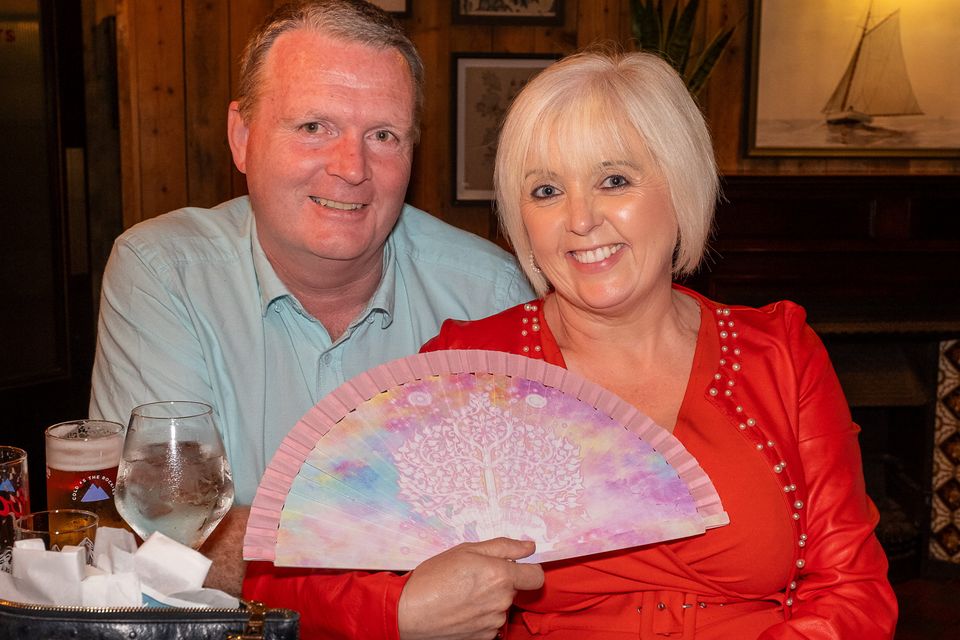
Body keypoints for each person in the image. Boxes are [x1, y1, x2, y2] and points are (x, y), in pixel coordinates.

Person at [90, 1, 541, 636]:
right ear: (242, 137)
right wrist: (403, 580)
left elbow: (520, 540)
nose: (351, 168)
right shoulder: (164, 272)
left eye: (383, 135)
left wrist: (243, 535)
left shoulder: (492, 292)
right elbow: (163, 535)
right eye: (313, 126)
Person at [418, 49, 898, 638]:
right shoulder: (468, 370)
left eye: (614, 180)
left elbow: (851, 590)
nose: (580, 219)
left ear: (683, 187)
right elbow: (341, 569)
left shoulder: (782, 354)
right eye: (545, 190)